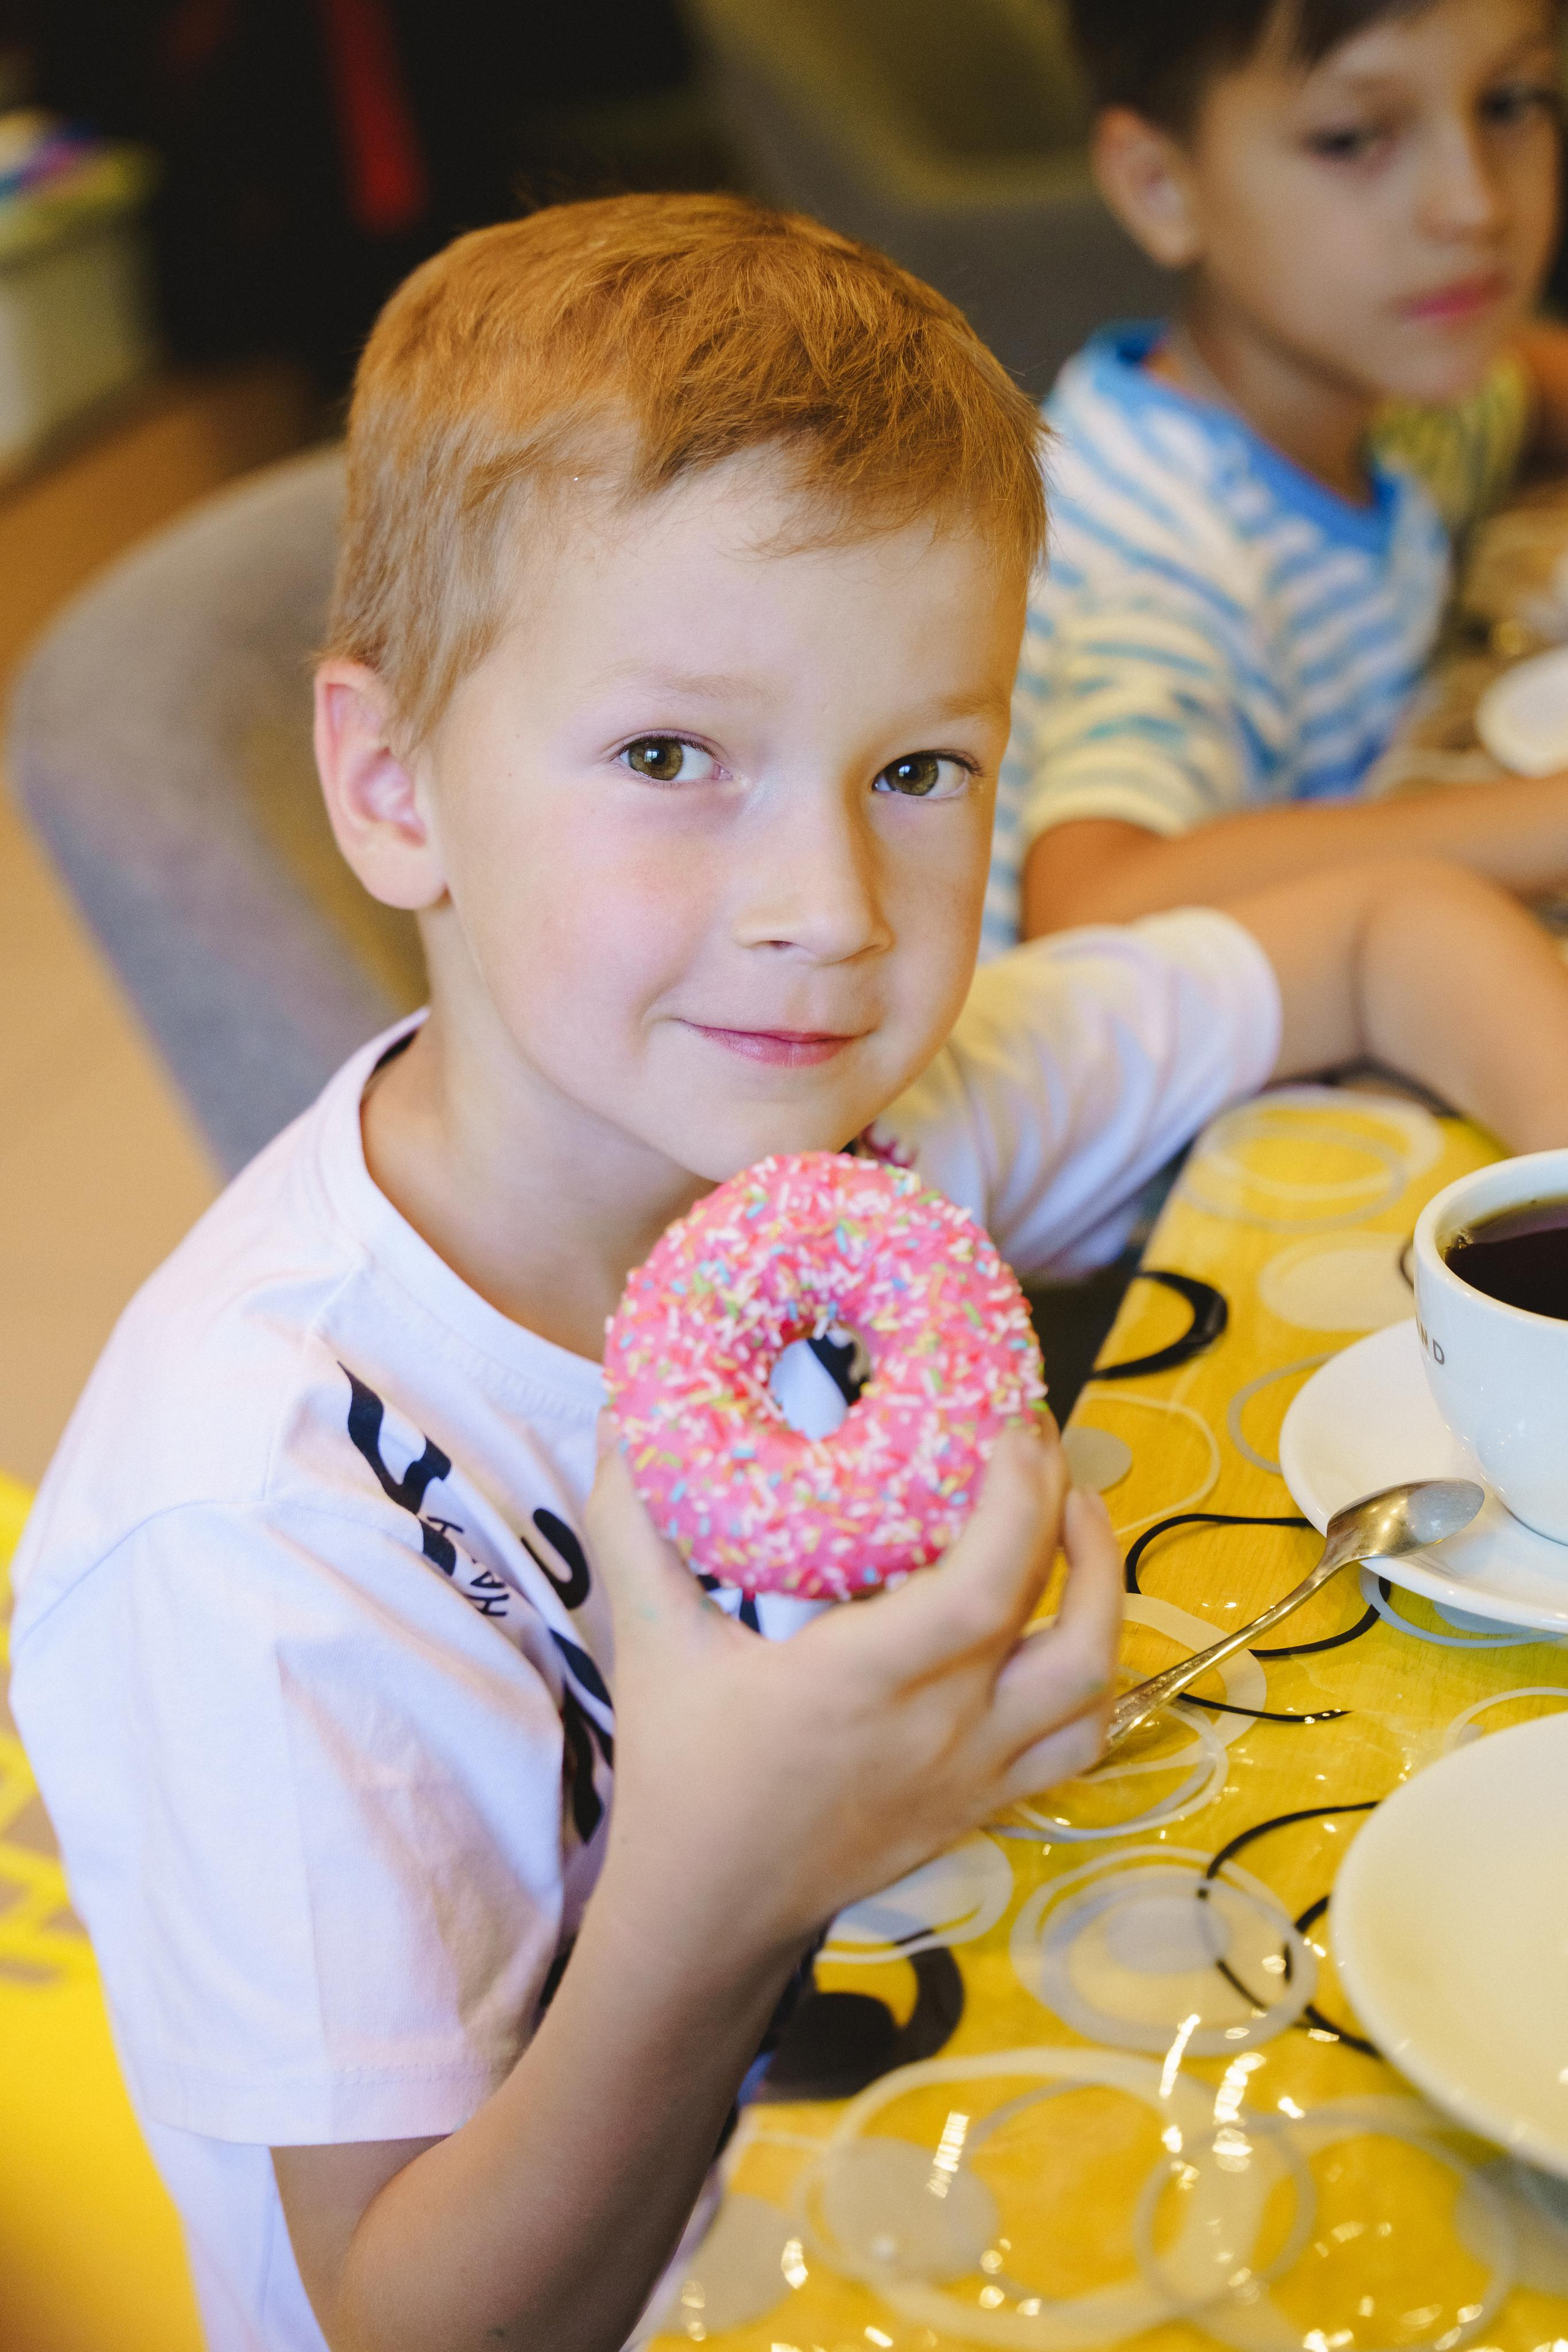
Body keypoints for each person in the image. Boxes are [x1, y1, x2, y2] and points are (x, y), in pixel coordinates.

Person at [12, 194, 1568, 2352]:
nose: (830, 907)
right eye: (672, 760)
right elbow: (404, 2323)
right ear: (392, 787)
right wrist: (724, 1875)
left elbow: (1382, 930)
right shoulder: (263, 1521)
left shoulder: (867, 1139)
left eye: (919, 768)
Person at [989, 0, 1568, 951]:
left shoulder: (1390, 409)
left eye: (1509, 102)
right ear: (1160, 186)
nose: (1475, 204)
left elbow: (1530, 384)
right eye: (1353, 139)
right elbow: (1094, 907)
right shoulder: (1163, 554)